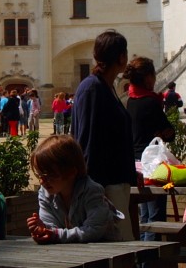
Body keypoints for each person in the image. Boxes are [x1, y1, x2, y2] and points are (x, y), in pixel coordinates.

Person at [71, 29, 135, 241]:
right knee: (119, 248)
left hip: (114, 181)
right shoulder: (93, 89)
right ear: (121, 57)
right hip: (104, 187)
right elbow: (87, 142)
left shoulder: (105, 87)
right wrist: (94, 191)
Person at [27, 135, 124, 244]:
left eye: (49, 175)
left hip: (107, 251)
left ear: (71, 172)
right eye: (39, 175)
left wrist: (55, 234)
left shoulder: (91, 191)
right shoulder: (46, 193)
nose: (42, 181)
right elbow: (53, 230)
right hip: (75, 251)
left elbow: (93, 230)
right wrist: (43, 230)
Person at [125, 56, 174, 242]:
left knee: (144, 218)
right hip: (152, 164)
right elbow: (169, 132)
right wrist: (164, 132)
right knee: (156, 218)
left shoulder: (130, 101)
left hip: (136, 163)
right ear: (147, 77)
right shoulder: (151, 102)